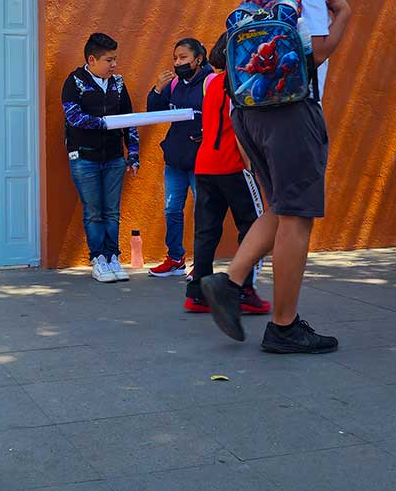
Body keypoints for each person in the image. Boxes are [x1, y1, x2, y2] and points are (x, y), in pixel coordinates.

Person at [200, 0, 352, 354]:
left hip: (249, 113)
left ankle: (228, 282)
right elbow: (318, 52)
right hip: (291, 110)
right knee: (298, 217)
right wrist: (344, 15)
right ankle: (284, 326)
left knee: (281, 207)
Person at [183, 32, 270, 316]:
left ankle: (197, 294)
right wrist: (253, 167)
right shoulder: (242, 84)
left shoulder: (211, 82)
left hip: (205, 163)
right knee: (254, 226)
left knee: (206, 231)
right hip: (232, 164)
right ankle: (244, 289)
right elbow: (241, 131)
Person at [61, 33, 138, 283]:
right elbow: (74, 117)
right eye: (109, 60)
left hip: (115, 158)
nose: (114, 64)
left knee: (112, 211)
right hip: (84, 159)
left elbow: (129, 118)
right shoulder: (74, 82)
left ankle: (113, 256)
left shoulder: (118, 83)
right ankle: (98, 259)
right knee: (94, 211)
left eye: (115, 59)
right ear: (92, 59)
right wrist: (104, 124)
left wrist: (133, 154)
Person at [145, 38, 209, 278]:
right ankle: (175, 259)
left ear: (198, 59)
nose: (178, 62)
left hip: (200, 160)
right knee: (172, 210)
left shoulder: (210, 82)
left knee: (203, 212)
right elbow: (153, 114)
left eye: (183, 57)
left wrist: (207, 133)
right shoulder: (174, 85)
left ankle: (202, 263)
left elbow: (223, 114)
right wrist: (158, 89)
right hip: (175, 160)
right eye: (175, 58)